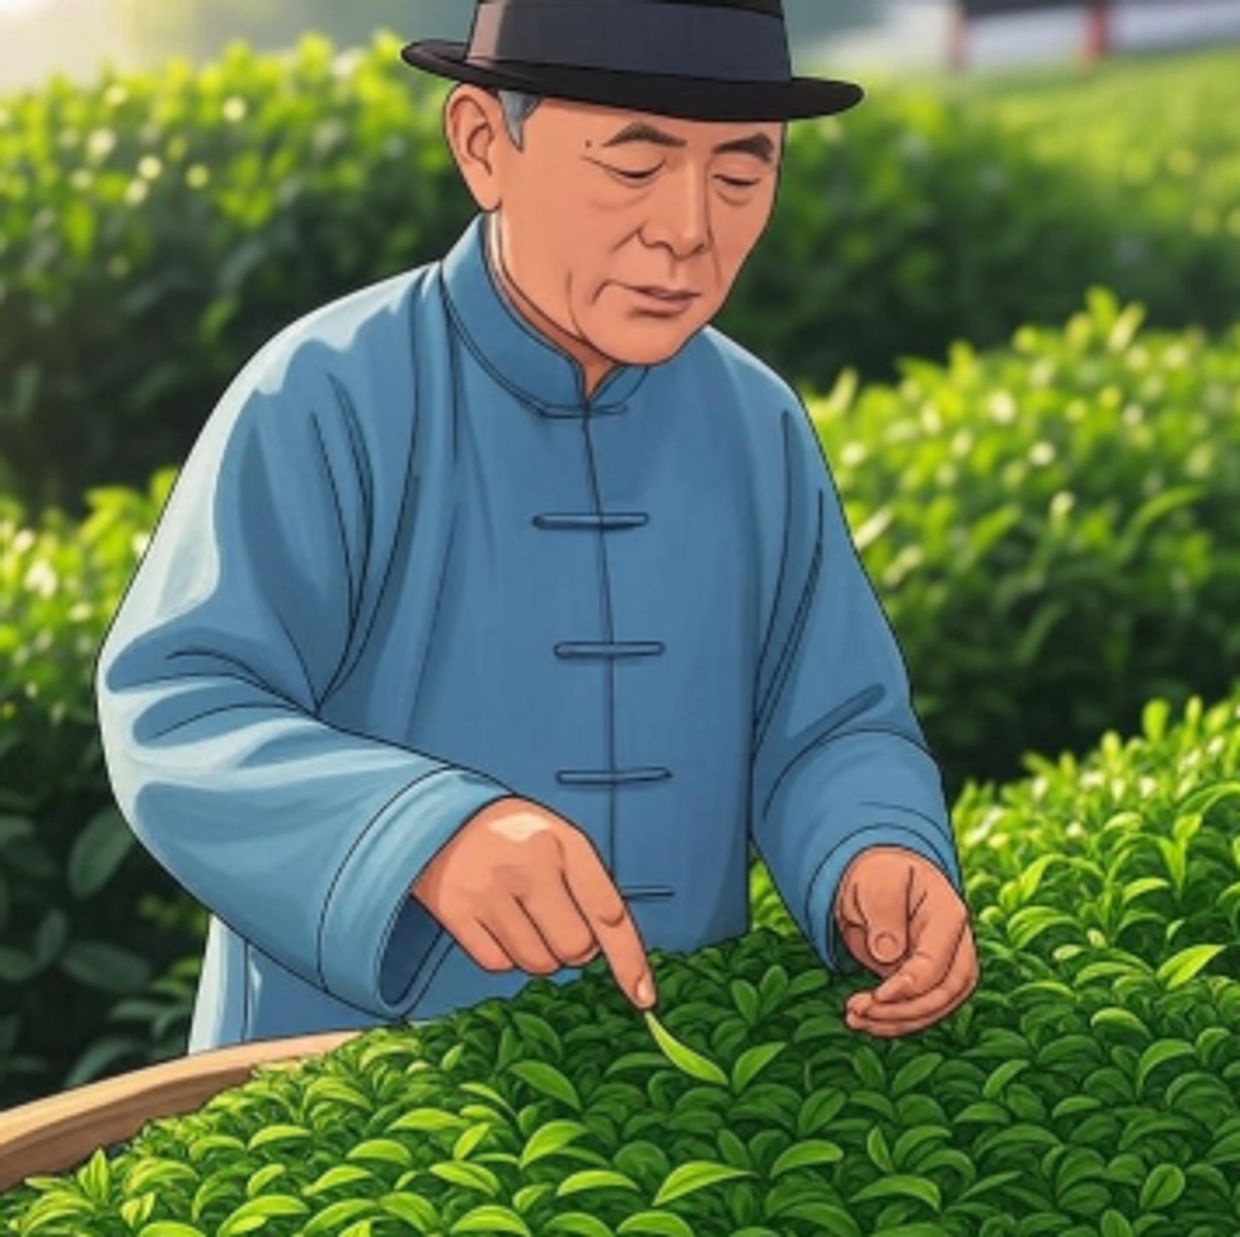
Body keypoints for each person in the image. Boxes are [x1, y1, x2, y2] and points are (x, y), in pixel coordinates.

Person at [94, 0, 978, 1054]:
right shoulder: (323, 396)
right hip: (339, 1085)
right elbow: (175, 705)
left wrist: (873, 853)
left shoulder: (755, 421)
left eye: (741, 174)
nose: (689, 229)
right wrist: (423, 836)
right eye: (634, 165)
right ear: (482, 145)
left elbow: (830, 721)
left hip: (670, 1083)